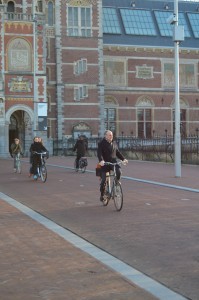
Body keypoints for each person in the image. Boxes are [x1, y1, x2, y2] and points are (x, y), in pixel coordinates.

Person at [97, 130, 128, 202]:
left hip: (113, 162)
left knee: (119, 171)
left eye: (112, 135)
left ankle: (116, 184)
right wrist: (101, 161)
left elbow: (117, 152)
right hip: (104, 164)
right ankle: (102, 194)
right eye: (109, 135)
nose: (111, 136)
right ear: (105, 136)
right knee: (104, 180)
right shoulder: (101, 143)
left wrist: (123, 159)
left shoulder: (114, 143)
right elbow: (99, 153)